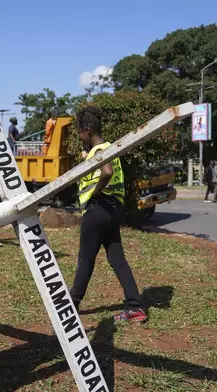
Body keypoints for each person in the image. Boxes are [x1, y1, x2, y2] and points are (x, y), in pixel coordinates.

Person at [70, 105, 147, 323]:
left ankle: (71, 304)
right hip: (113, 210)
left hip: (97, 208)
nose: (79, 136)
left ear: (87, 130)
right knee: (117, 258)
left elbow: (106, 172)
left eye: (79, 131)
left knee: (85, 259)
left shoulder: (99, 152)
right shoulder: (110, 149)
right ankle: (135, 307)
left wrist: (95, 193)